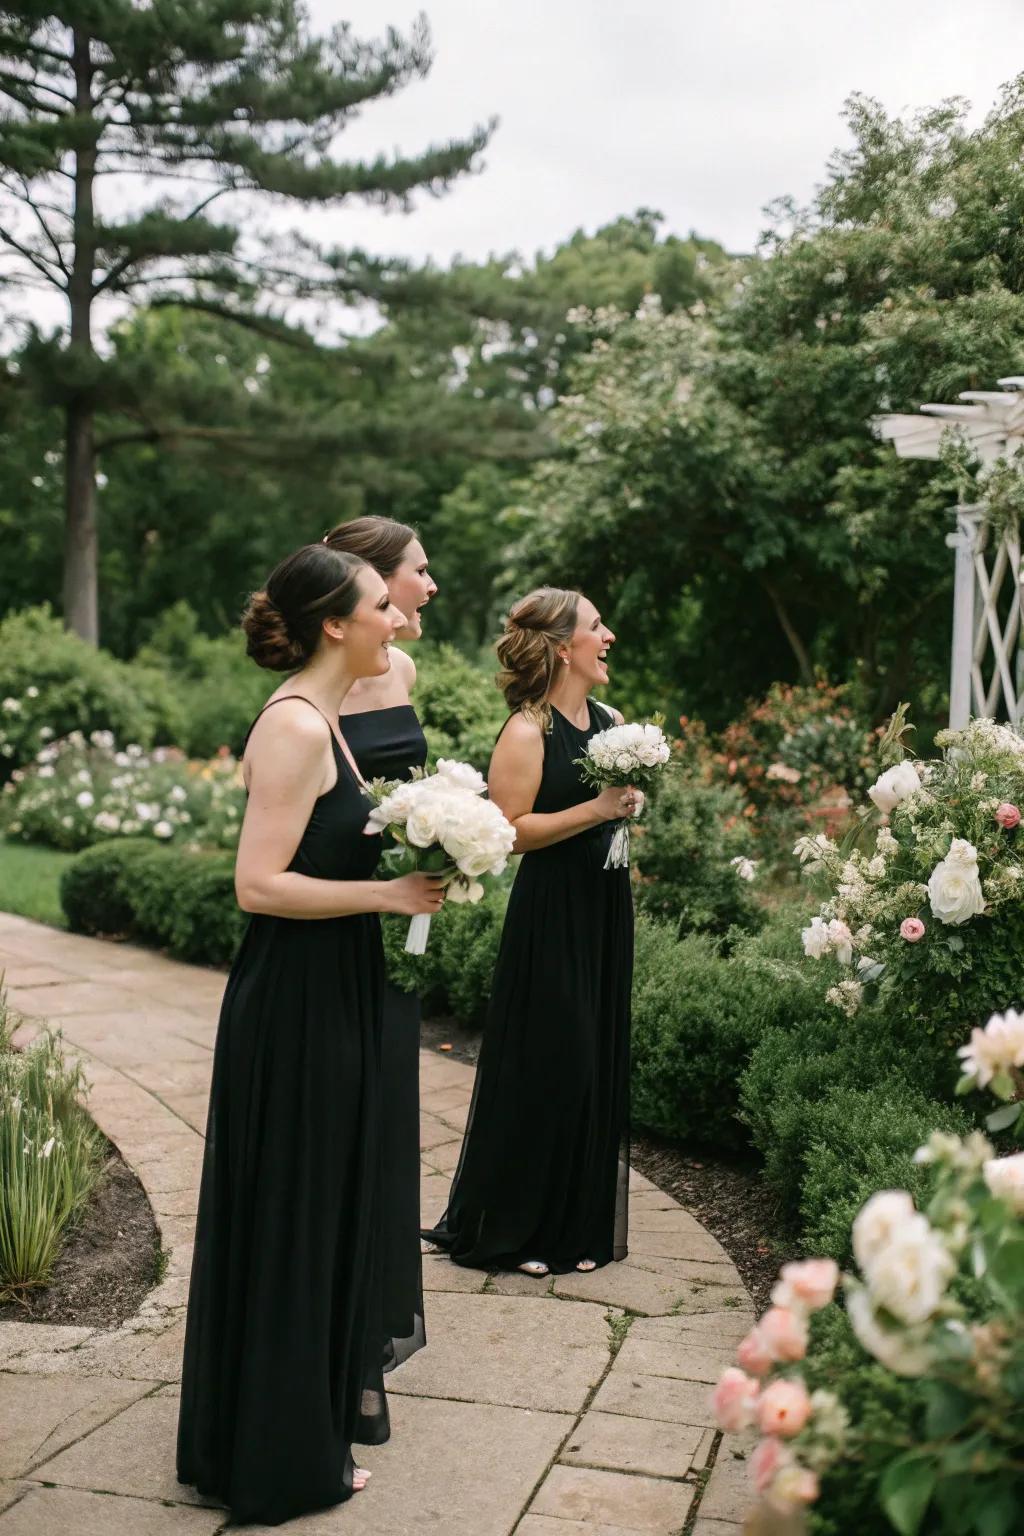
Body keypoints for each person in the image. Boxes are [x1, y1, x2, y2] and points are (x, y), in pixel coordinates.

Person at [177, 543, 444, 1527]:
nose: (397, 619)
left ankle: (287, 1429)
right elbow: (257, 885)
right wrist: (388, 894)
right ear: (335, 623)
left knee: (322, 1210)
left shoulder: (327, 718)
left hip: (337, 987)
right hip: (293, 1005)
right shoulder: (293, 725)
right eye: (382, 605)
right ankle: (279, 1459)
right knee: (296, 1215)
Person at [424, 586, 635, 1277]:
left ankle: (576, 1227)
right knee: (554, 1059)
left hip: (605, 905)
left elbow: (608, 808)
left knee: (594, 1058)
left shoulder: (611, 721)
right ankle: (518, 1229)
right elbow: (510, 832)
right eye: (597, 627)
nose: (609, 637)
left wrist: (626, 805)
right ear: (563, 647)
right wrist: (599, 809)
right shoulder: (526, 730)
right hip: (552, 912)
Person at [323, 514, 437, 1370]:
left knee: (394, 1105)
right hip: (340, 912)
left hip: (399, 919)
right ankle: (334, 1308)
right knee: (344, 1113)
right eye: (418, 572)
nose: (429, 587)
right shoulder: (311, 692)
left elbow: (405, 788)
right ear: (371, 582)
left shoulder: (401, 668)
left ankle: (382, 1300)